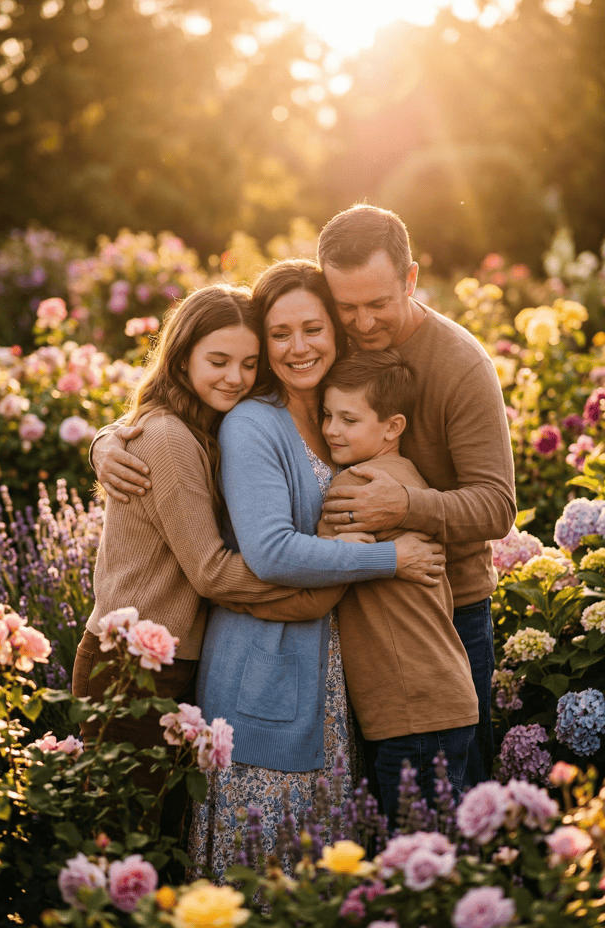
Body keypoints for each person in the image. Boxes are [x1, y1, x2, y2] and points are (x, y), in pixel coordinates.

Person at [72, 284, 383, 844]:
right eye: (217, 361)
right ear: (181, 355)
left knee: (158, 843)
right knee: (121, 845)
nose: (234, 378)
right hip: (128, 668)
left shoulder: (207, 423)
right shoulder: (168, 436)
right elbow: (212, 573)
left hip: (169, 661)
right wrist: (326, 581)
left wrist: (104, 440)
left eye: (247, 363)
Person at [185, 261, 445, 878]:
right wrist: (391, 558)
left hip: (329, 669)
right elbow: (271, 551)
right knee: (266, 874)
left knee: (322, 873)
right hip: (265, 668)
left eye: (313, 328)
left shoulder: (340, 409)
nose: (298, 347)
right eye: (279, 334)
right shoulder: (254, 421)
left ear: (335, 329)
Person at [317, 205, 516, 784]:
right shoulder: (331, 340)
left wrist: (402, 507)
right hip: (357, 605)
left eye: (378, 303)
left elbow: (496, 506)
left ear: (410, 278)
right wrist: (113, 441)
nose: (362, 322)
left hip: (447, 611)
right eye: (346, 305)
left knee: (448, 795)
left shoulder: (460, 364)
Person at [316, 349, 478, 829]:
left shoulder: (358, 486)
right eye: (325, 415)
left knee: (417, 861)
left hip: (415, 709)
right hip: (437, 697)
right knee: (439, 853)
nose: (330, 429)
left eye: (348, 418)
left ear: (393, 426)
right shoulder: (404, 478)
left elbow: (319, 560)